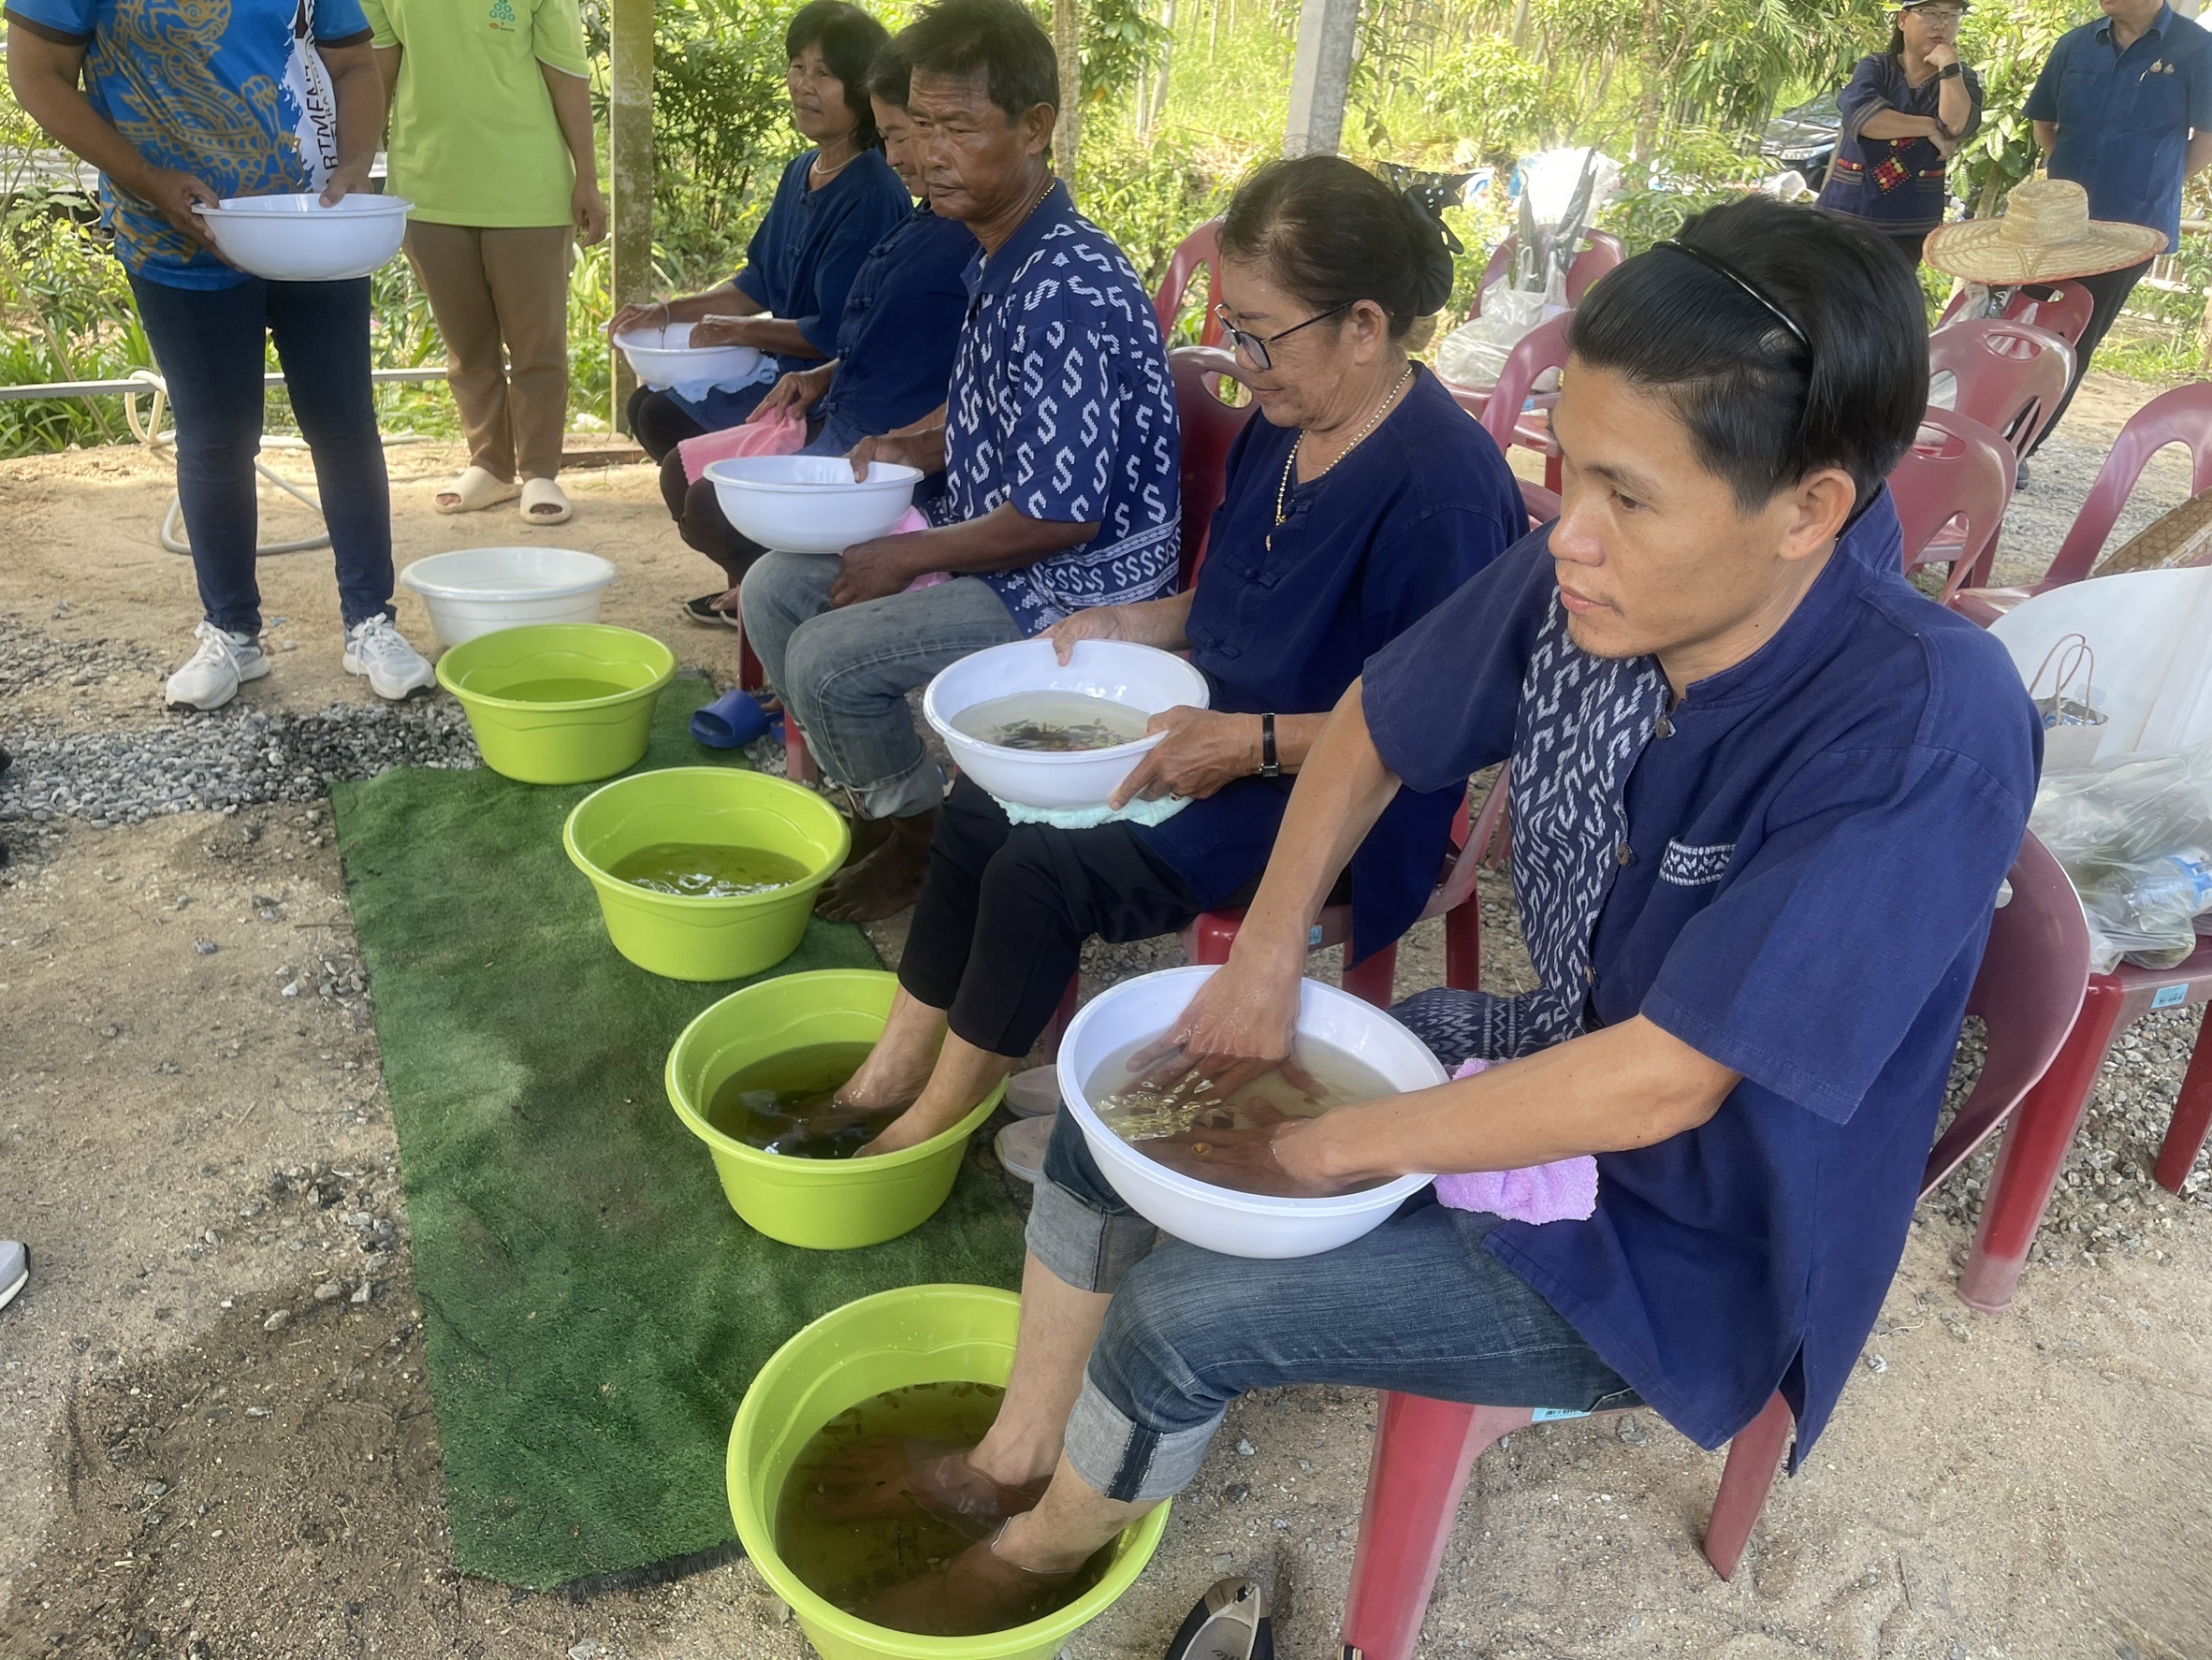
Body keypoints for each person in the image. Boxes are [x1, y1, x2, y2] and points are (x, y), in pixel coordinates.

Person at [818, 197, 2041, 1633]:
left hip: (1688, 1231)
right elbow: (1371, 725)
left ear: (1812, 512)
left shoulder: (1918, 720)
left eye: (1628, 498)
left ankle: (1032, 1559)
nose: (1568, 536)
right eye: (1563, 473)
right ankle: (1013, 1455)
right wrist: (1263, 959)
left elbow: (1667, 1080)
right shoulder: (1595, 582)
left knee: (1175, 1317)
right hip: (1534, 1047)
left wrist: (1324, 1144)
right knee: (1124, 1102)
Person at [826, 153, 1523, 1158]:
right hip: (1216, 730)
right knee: (981, 805)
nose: (1239, 357)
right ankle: (894, 1069)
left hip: (1338, 800)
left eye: (1260, 332)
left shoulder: (1443, 491)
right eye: (1229, 326)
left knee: (1043, 871)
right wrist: (1130, 623)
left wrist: (1247, 745)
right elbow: (1235, 598)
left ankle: (930, 1125)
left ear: (1365, 326)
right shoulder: (1285, 425)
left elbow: (1429, 728)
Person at [739, 0, 1183, 925]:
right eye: (921, 124)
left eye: (958, 127)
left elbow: (1064, 515)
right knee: (775, 589)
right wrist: (915, 441)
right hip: (1008, 545)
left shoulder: (1065, 282)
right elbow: (1006, 410)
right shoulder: (1007, 251)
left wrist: (901, 555)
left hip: (1072, 586)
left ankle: (925, 835)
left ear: (1035, 129)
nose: (930, 153)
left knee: (825, 654)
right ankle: (887, 801)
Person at [7, 0, 439, 712]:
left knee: (343, 424)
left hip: (314, 231)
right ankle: (232, 632)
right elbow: (38, 73)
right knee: (213, 438)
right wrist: (148, 180)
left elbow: (353, 61)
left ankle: (370, 623)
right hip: (174, 233)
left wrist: (357, 162)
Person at [669, 44, 975, 624]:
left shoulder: (987, 243)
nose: (902, 156)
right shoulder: (924, 217)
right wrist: (822, 374)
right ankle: (767, 606)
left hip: (893, 452)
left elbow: (981, 394)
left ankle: (783, 609)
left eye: (909, 133)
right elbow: (883, 334)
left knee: (715, 505)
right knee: (694, 479)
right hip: (856, 422)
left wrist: (908, 445)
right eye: (893, 137)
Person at [610, 1, 909, 488]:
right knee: (645, 406)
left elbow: (833, 334)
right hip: (777, 369)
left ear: (860, 89)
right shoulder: (801, 170)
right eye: (797, 67)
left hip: (825, 388)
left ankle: (749, 545)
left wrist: (742, 332)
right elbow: (757, 285)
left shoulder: (872, 191)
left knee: (662, 417)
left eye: (824, 73)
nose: (804, 85)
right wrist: (666, 312)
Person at [366, 0, 606, 527]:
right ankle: (491, 465)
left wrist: (586, 177)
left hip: (528, 186)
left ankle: (540, 469)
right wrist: (356, 166)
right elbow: (376, 69)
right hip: (428, 185)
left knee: (536, 343)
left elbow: (565, 72)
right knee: (466, 345)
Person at [2020, 0, 2212, 452]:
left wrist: (2156, 184)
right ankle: (1993, 424)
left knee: (2077, 335)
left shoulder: (2198, 49)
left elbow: (2206, 140)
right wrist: (2065, 187)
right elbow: (2044, 124)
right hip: (2057, 225)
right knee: (2029, 325)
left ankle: (2024, 445)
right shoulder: (2075, 45)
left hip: (2133, 228)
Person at [1814, 0, 1983, 265]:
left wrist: (1950, 66)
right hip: (1845, 217)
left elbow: (1955, 125)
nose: (1942, 24)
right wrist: (1929, 126)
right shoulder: (1876, 67)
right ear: (1902, 20)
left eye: (1952, 15)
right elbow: (1869, 122)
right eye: (1930, 13)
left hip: (1910, 226)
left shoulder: (1962, 80)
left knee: (1887, 303)